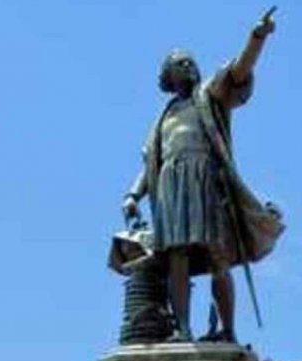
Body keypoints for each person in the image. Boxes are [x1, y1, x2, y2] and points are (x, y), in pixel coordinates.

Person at [122, 9, 284, 341]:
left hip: (204, 180)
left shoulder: (209, 97)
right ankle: (182, 329)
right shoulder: (164, 117)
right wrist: (132, 195)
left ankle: (227, 330)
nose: (189, 66)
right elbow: (151, 161)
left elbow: (239, 70)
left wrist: (257, 38)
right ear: (168, 76)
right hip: (169, 185)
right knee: (176, 257)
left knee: (217, 254)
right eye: (181, 63)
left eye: (191, 62)